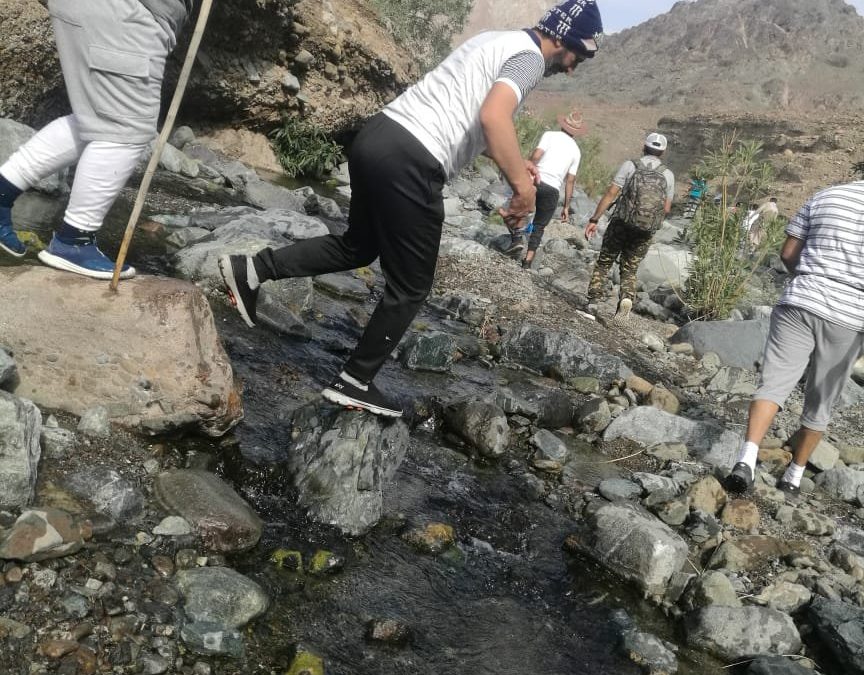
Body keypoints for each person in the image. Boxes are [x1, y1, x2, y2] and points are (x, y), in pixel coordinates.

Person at [219, 0, 604, 418]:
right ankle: (354, 381)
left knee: (357, 247)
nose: (572, 69)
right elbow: (494, 118)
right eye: (579, 57)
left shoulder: (496, 41)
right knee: (412, 287)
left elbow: (464, 118)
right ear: (565, 38)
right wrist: (524, 192)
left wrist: (514, 162)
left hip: (378, 137)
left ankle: (251, 270)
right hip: (411, 162)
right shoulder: (529, 59)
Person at [0, 0, 193, 277]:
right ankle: (73, 241)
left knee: (100, 118)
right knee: (127, 127)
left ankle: (3, 191)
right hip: (125, 11)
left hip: (109, 10)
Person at [725, 181, 864, 498]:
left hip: (801, 300)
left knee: (774, 383)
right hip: (851, 317)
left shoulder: (826, 196)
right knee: (821, 399)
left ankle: (746, 459)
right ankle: (794, 477)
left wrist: (808, 277)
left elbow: (788, 253)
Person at [584, 132, 674, 324]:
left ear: (644, 146)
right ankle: (626, 299)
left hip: (621, 223)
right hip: (645, 231)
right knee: (630, 269)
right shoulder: (668, 175)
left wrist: (594, 219)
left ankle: (592, 303)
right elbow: (666, 208)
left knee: (604, 262)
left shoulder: (630, 165)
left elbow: (611, 193)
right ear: (663, 152)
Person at [504, 110, 585, 269]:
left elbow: (536, 156)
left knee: (517, 208)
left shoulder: (549, 135)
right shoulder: (576, 151)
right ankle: (527, 262)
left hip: (536, 180)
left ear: (563, 124)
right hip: (553, 190)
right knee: (539, 226)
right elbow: (570, 181)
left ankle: (517, 239)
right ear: (576, 132)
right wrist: (566, 206)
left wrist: (526, 169)